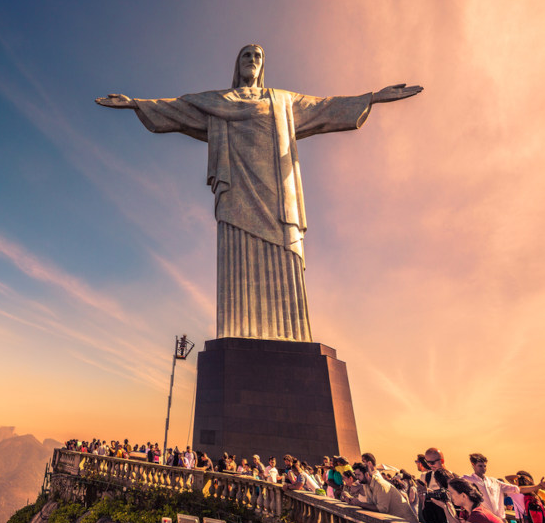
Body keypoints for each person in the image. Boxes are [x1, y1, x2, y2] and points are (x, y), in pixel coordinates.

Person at [96, 44, 422, 341]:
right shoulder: (217, 102)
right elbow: (178, 108)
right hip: (237, 188)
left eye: (257, 56)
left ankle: (291, 335)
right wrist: (134, 104)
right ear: (237, 65)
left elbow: (326, 107)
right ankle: (239, 331)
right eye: (246, 55)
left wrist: (372, 98)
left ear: (262, 65)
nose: (252, 60)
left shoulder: (281, 100)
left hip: (278, 194)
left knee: (283, 255)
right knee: (237, 255)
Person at [463, 453, 545, 522]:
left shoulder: (494, 482)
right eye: (480, 466)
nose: (483, 469)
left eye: (485, 466)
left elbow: (518, 489)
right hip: (482, 521)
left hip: (499, 521)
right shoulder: (467, 480)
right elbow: (452, 481)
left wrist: (538, 486)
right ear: (473, 465)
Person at [345, 461, 419, 522]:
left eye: (358, 475)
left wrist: (360, 504)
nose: (357, 478)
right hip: (395, 522)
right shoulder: (366, 485)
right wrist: (353, 501)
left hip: (405, 522)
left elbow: (382, 509)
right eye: (356, 475)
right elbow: (370, 504)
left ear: (367, 474)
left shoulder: (380, 485)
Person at [429, 477, 505, 523]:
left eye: (451, 493)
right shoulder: (473, 511)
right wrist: (448, 508)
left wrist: (445, 508)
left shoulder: (479, 515)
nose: (449, 496)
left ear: (463, 496)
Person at [423, 448, 456, 523]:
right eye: (427, 462)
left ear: (442, 461)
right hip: (432, 518)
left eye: (432, 462)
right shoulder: (427, 476)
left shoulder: (453, 477)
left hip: (449, 518)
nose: (430, 465)